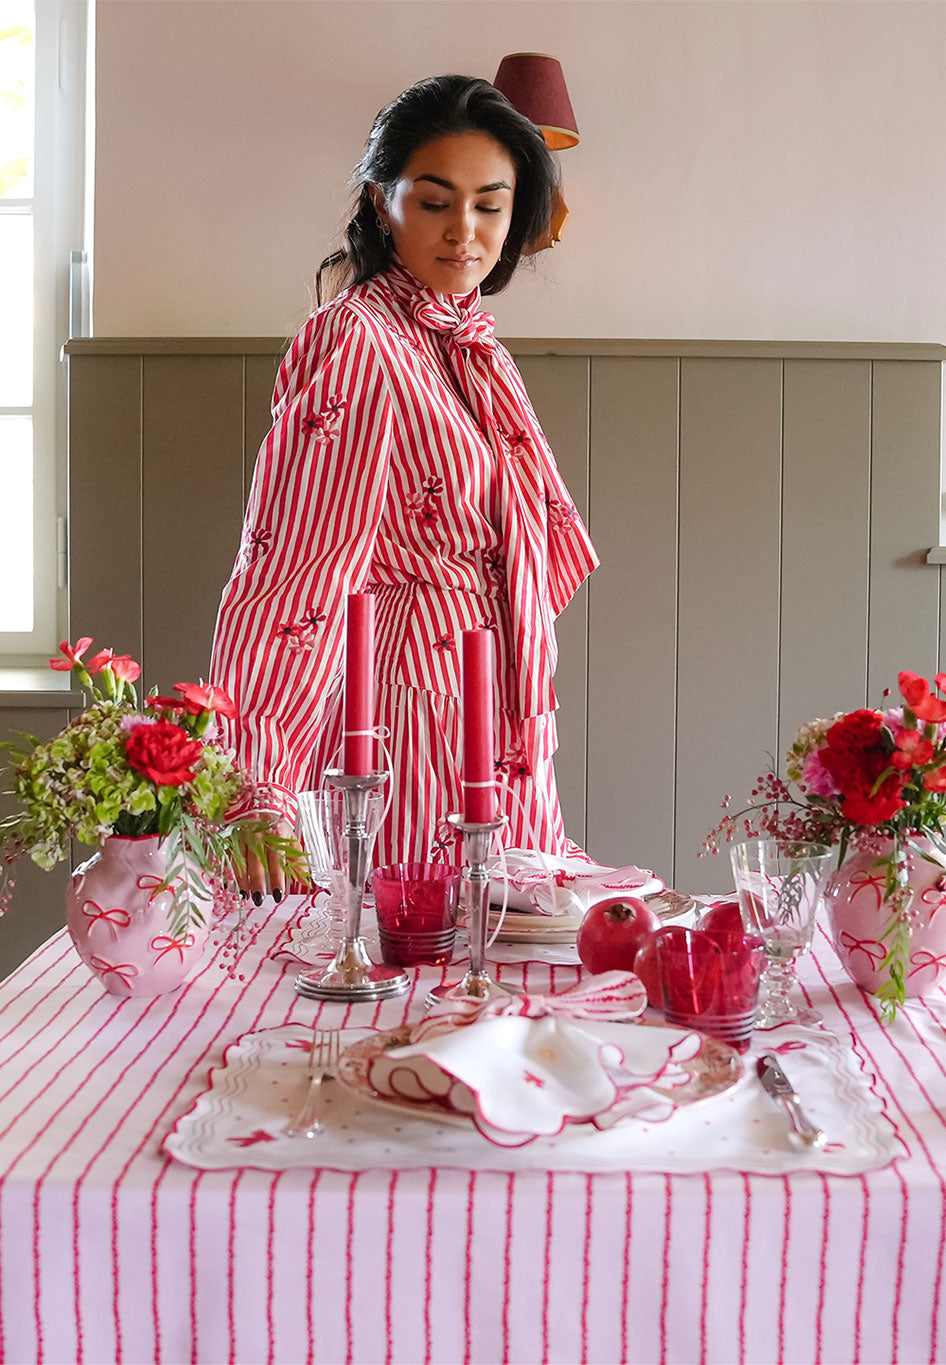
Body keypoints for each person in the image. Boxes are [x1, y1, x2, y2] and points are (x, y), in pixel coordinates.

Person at [210, 74, 599, 900]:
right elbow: (295, 566)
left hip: (495, 703)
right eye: (435, 202)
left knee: (507, 957)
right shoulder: (359, 342)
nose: (466, 230)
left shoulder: (465, 347)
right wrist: (257, 776)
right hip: (414, 710)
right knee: (427, 960)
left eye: (490, 205)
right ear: (382, 201)